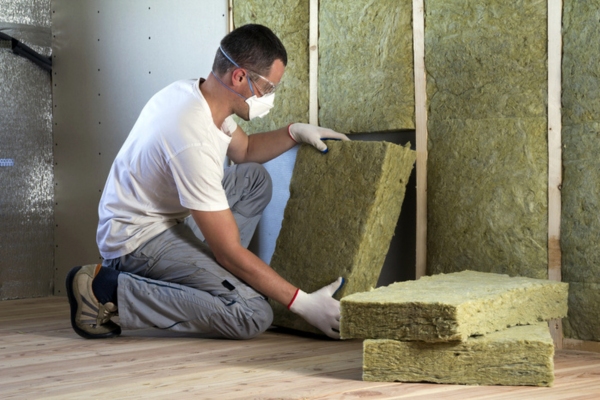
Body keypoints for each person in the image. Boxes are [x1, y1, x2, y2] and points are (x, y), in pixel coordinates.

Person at [65, 24, 350, 341]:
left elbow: (245, 151)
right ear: (239, 77)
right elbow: (228, 251)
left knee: (253, 179)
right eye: (268, 88)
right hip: (135, 241)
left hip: (159, 218)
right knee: (252, 313)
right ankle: (107, 289)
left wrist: (293, 132)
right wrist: (302, 303)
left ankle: (219, 279)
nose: (269, 98)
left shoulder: (199, 94)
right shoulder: (192, 138)